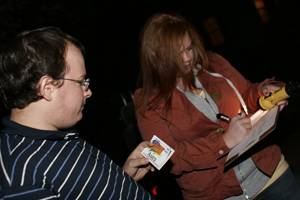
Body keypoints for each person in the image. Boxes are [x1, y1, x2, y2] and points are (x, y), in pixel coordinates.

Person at [134, 13, 300, 200]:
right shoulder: (146, 103)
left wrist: (264, 92)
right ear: (156, 56)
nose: (188, 57)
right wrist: (224, 142)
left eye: (189, 48)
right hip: (216, 194)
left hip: (269, 171)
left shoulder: (213, 64)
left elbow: (246, 94)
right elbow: (165, 159)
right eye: (177, 54)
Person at [0, 27, 154, 199]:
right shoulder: (22, 181)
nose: (88, 92)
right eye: (81, 81)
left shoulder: (56, 133)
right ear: (48, 88)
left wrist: (125, 177)